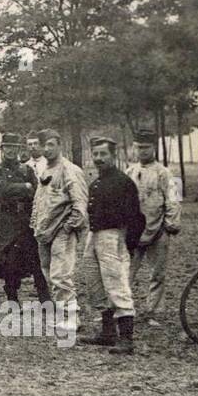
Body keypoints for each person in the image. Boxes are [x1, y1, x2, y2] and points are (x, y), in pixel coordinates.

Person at [80, 137, 144, 354]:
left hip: (114, 236)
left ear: (113, 156)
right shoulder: (96, 183)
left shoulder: (123, 182)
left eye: (103, 154)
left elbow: (136, 217)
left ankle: (126, 338)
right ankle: (108, 333)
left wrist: (128, 245)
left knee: (116, 283)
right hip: (94, 234)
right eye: (95, 154)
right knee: (94, 282)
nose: (98, 159)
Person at [32, 129, 88, 339]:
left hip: (62, 231)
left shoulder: (69, 170)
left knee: (61, 275)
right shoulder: (46, 170)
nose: (46, 149)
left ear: (59, 145)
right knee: (49, 273)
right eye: (43, 145)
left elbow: (80, 204)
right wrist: (36, 225)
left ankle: (72, 318)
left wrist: (67, 227)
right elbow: (40, 201)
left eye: (51, 145)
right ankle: (63, 314)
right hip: (44, 232)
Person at [125, 129, 181, 325]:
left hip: (158, 230)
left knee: (157, 274)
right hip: (133, 231)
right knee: (126, 272)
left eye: (146, 147)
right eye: (139, 147)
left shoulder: (164, 173)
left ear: (154, 148)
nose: (142, 151)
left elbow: (173, 200)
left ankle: (153, 312)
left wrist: (169, 225)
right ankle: (123, 310)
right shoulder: (130, 172)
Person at [0, 132, 49, 303]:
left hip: (26, 218)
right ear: (2, 149)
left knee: (35, 257)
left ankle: (45, 297)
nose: (10, 151)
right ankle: (12, 296)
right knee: (10, 259)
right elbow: (1, 191)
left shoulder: (26, 169)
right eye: (7, 147)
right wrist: (25, 186)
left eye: (14, 147)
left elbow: (37, 191)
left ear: (19, 149)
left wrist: (22, 188)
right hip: (7, 220)